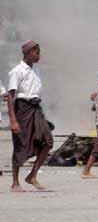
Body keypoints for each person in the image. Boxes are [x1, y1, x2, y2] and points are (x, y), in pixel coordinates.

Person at [7, 40, 53, 192]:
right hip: (22, 109)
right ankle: (15, 182)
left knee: (47, 141)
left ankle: (32, 175)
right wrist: (13, 120)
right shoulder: (17, 71)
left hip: (36, 109)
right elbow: (11, 96)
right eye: (36, 52)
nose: (38, 55)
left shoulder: (36, 70)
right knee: (20, 145)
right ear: (27, 53)